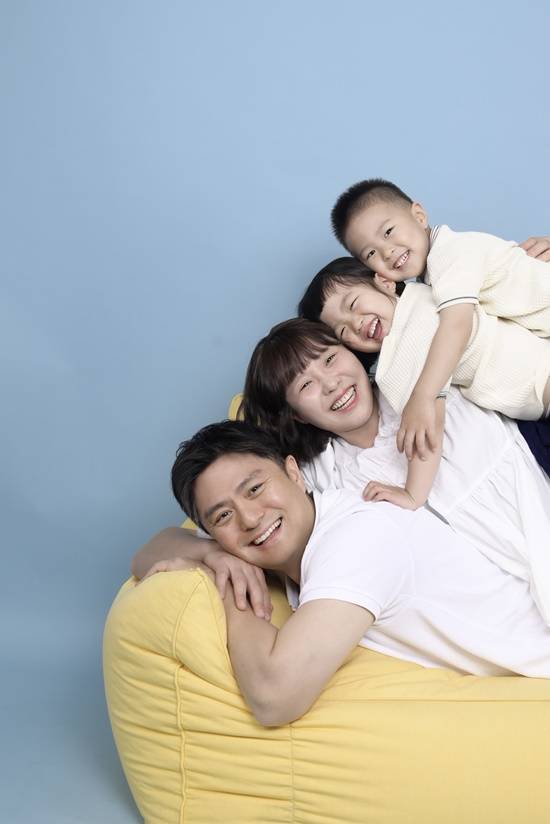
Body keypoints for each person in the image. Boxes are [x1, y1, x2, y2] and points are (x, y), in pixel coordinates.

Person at [166, 419, 550, 727]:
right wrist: (212, 554)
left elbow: (274, 698)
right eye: (223, 516)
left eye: (254, 489)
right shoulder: (295, 537)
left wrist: (229, 586)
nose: (250, 518)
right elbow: (155, 546)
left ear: (294, 473)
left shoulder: (355, 538)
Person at [240, 317, 550, 624]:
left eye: (330, 359)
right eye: (306, 385)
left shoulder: (423, 378)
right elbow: (234, 510)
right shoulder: (322, 479)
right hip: (493, 617)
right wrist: (217, 555)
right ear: (296, 415)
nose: (332, 384)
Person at [329, 178, 550, 461]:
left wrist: (423, 396)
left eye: (388, 231)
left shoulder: (450, 254)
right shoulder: (430, 282)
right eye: (371, 253)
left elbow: (456, 326)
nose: (387, 251)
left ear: (419, 215)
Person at [300, 252, 550, 483]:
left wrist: (413, 493)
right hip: (530, 411)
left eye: (353, 304)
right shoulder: (398, 361)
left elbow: (429, 425)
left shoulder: (436, 291)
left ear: (385, 281)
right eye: (343, 331)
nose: (356, 323)